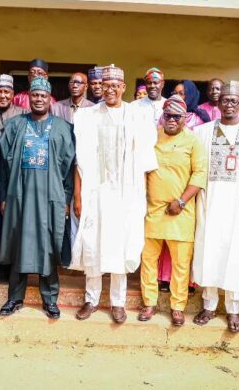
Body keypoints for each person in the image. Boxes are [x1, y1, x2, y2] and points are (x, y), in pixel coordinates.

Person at [70, 65, 158, 324]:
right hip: (95, 192)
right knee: (93, 243)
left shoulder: (136, 116)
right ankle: (92, 299)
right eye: (105, 85)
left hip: (125, 194)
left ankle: (118, 303)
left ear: (123, 88)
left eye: (114, 86)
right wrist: (78, 196)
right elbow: (80, 162)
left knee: (120, 246)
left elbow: (144, 162)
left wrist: (141, 198)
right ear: (99, 88)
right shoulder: (87, 116)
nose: (110, 90)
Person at [191, 80, 239, 333]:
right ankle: (209, 305)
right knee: (210, 254)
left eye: (234, 101)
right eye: (225, 100)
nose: (229, 105)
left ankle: (233, 309)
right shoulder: (202, 132)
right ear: (219, 103)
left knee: (234, 256)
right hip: (210, 204)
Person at [0, 76, 76, 319]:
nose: (39, 99)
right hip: (19, 196)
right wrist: (3, 196)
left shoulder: (63, 128)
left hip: (51, 197)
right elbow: (2, 165)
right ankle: (15, 298)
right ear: (29, 98)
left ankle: (50, 299)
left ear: (49, 99)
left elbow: (70, 167)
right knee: (20, 244)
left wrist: (66, 198)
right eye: (35, 95)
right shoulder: (14, 125)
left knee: (49, 246)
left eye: (43, 96)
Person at [140, 95, 206, 326]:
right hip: (153, 210)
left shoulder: (193, 141)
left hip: (181, 212)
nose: (171, 120)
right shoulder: (152, 135)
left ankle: (178, 307)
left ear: (184, 119)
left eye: (176, 117)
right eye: (167, 115)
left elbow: (200, 174)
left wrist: (182, 201)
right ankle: (149, 303)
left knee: (180, 263)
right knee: (148, 259)